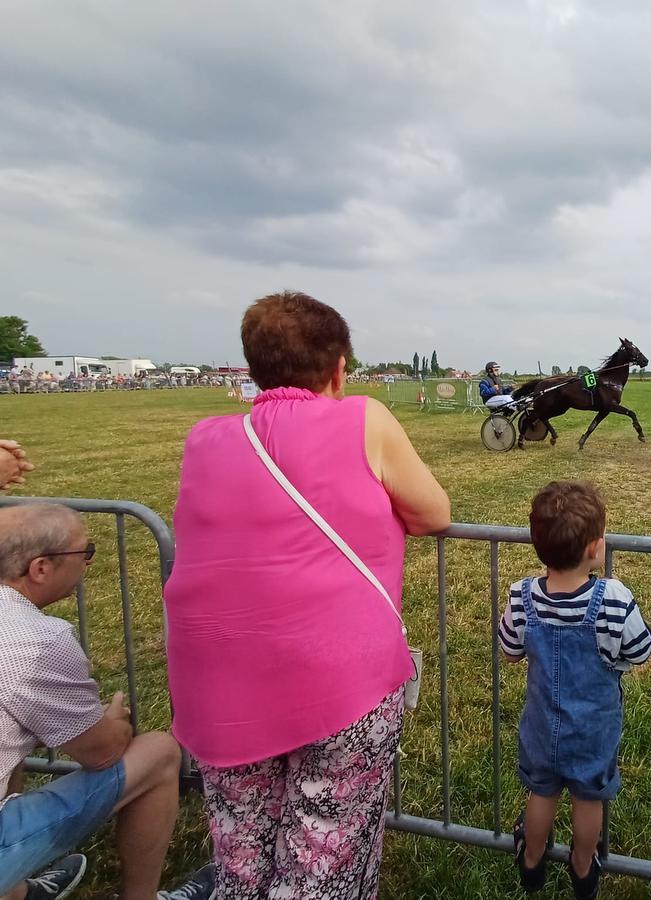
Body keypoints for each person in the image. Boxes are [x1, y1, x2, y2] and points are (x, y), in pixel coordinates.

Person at [164, 290, 451, 899]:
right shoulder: (363, 417)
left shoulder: (204, 438)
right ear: (339, 367)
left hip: (218, 682)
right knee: (326, 853)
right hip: (338, 678)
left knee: (242, 856)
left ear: (252, 368)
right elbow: (433, 512)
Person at [0, 503, 214, 900]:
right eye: (85, 552)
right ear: (40, 568)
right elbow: (101, 753)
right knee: (160, 752)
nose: (87, 563)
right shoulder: (36, 640)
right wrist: (113, 721)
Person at [500, 481, 651, 900]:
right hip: (593, 730)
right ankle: (583, 866)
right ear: (595, 548)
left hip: (540, 724)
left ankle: (531, 859)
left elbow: (510, 651)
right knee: (589, 800)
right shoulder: (614, 599)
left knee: (541, 793)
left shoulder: (521, 596)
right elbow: (640, 651)